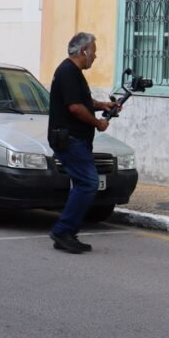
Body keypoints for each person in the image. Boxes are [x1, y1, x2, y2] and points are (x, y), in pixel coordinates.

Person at [47, 32, 119, 254]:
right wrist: (97, 124)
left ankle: (68, 233)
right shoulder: (68, 71)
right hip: (70, 139)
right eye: (94, 52)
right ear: (84, 51)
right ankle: (63, 230)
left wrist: (103, 105)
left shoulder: (73, 72)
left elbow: (83, 102)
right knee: (88, 183)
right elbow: (75, 108)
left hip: (75, 139)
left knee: (82, 184)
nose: (95, 57)